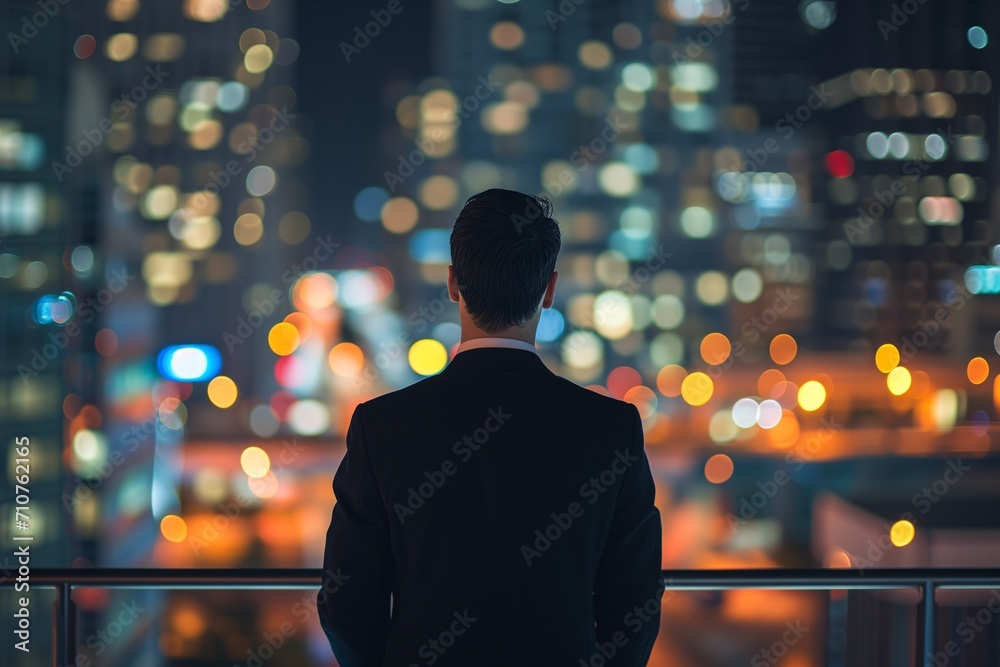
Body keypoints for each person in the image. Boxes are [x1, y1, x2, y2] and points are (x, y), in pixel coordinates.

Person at [318, 188, 663, 666]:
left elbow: (346, 605)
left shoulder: (381, 427)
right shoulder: (612, 429)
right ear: (549, 289)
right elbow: (636, 605)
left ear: (454, 284)